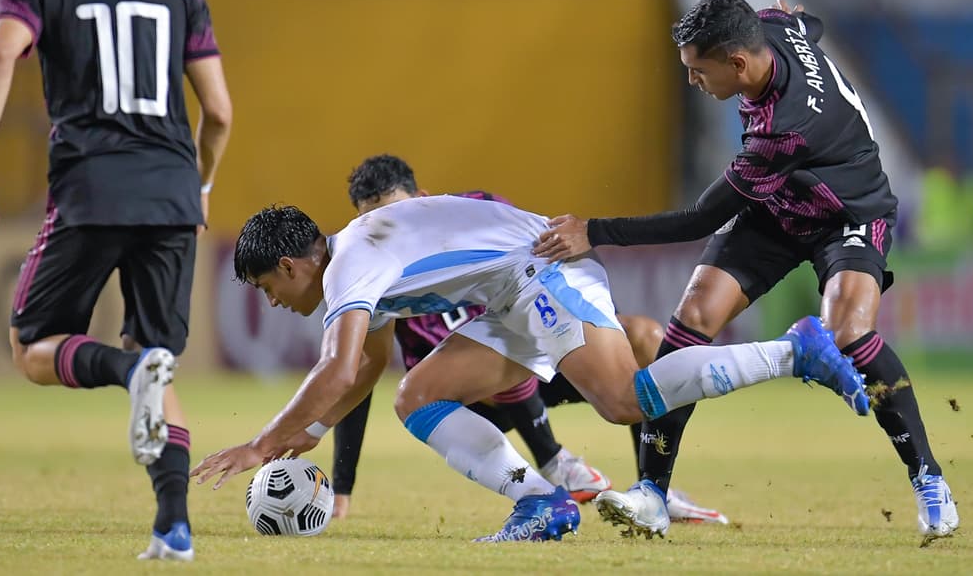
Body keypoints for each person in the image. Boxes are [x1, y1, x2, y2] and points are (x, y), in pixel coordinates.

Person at [191, 196, 868, 542]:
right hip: (510, 293)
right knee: (418, 393)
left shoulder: (349, 266)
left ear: (289, 264)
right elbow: (364, 366)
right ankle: (538, 503)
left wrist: (266, 438)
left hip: (543, 271)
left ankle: (795, 348)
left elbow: (337, 367)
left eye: (266, 288)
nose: (274, 303)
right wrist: (312, 426)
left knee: (623, 401)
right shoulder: (360, 254)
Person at [535, 0, 958, 539]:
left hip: (848, 215)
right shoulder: (771, 27)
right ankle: (652, 495)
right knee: (690, 323)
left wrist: (594, 232)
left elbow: (697, 220)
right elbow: (810, 20)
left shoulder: (786, 127)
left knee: (850, 332)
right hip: (777, 208)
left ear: (737, 63)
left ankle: (928, 474)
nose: (692, 81)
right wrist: (798, 19)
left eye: (696, 70)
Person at [0, 0, 233, 562]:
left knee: (30, 346)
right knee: (161, 356)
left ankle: (121, 370)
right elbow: (222, 111)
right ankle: (173, 527)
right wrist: (197, 185)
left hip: (91, 186)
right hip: (172, 187)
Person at [331, 154, 727, 525]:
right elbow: (362, 367)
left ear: (421, 199)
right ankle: (556, 462)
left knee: (643, 338)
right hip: (471, 396)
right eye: (373, 223)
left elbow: (555, 285)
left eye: (393, 214)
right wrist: (342, 486)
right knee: (501, 348)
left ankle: (655, 490)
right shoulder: (373, 273)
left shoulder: (476, 213)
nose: (385, 231)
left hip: (536, 358)